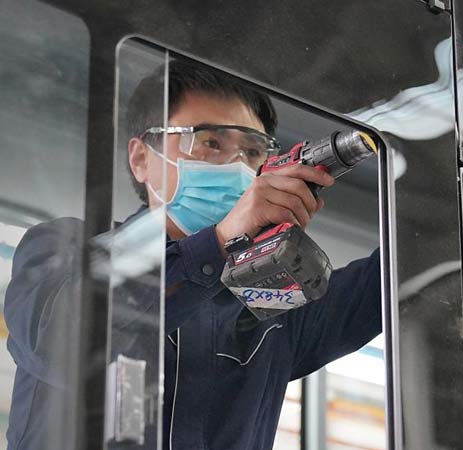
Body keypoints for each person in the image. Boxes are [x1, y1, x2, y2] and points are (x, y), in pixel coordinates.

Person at [4, 60, 381, 450]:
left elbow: (393, 280)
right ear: (141, 159)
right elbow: (61, 341)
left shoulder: (275, 301)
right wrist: (217, 243)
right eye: (211, 143)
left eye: (252, 152)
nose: (237, 167)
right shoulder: (65, 249)